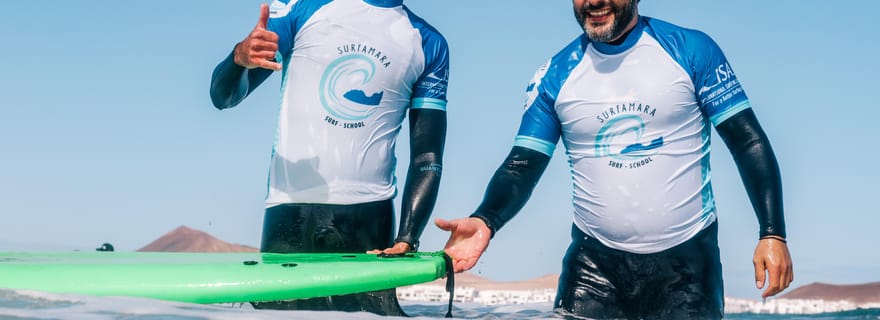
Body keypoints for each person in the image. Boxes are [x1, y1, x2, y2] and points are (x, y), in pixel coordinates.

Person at [434, 0, 792, 318]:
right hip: (594, 269)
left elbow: (747, 141)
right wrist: (486, 219)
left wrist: (773, 233)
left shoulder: (692, 50)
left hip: (688, 269)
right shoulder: (554, 75)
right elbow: (522, 164)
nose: (595, 1)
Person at [209, 0, 449, 316]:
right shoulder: (301, 8)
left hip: (371, 222)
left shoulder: (428, 42)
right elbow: (223, 97)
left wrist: (407, 236)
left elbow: (427, 156)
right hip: (291, 216)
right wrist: (239, 58)